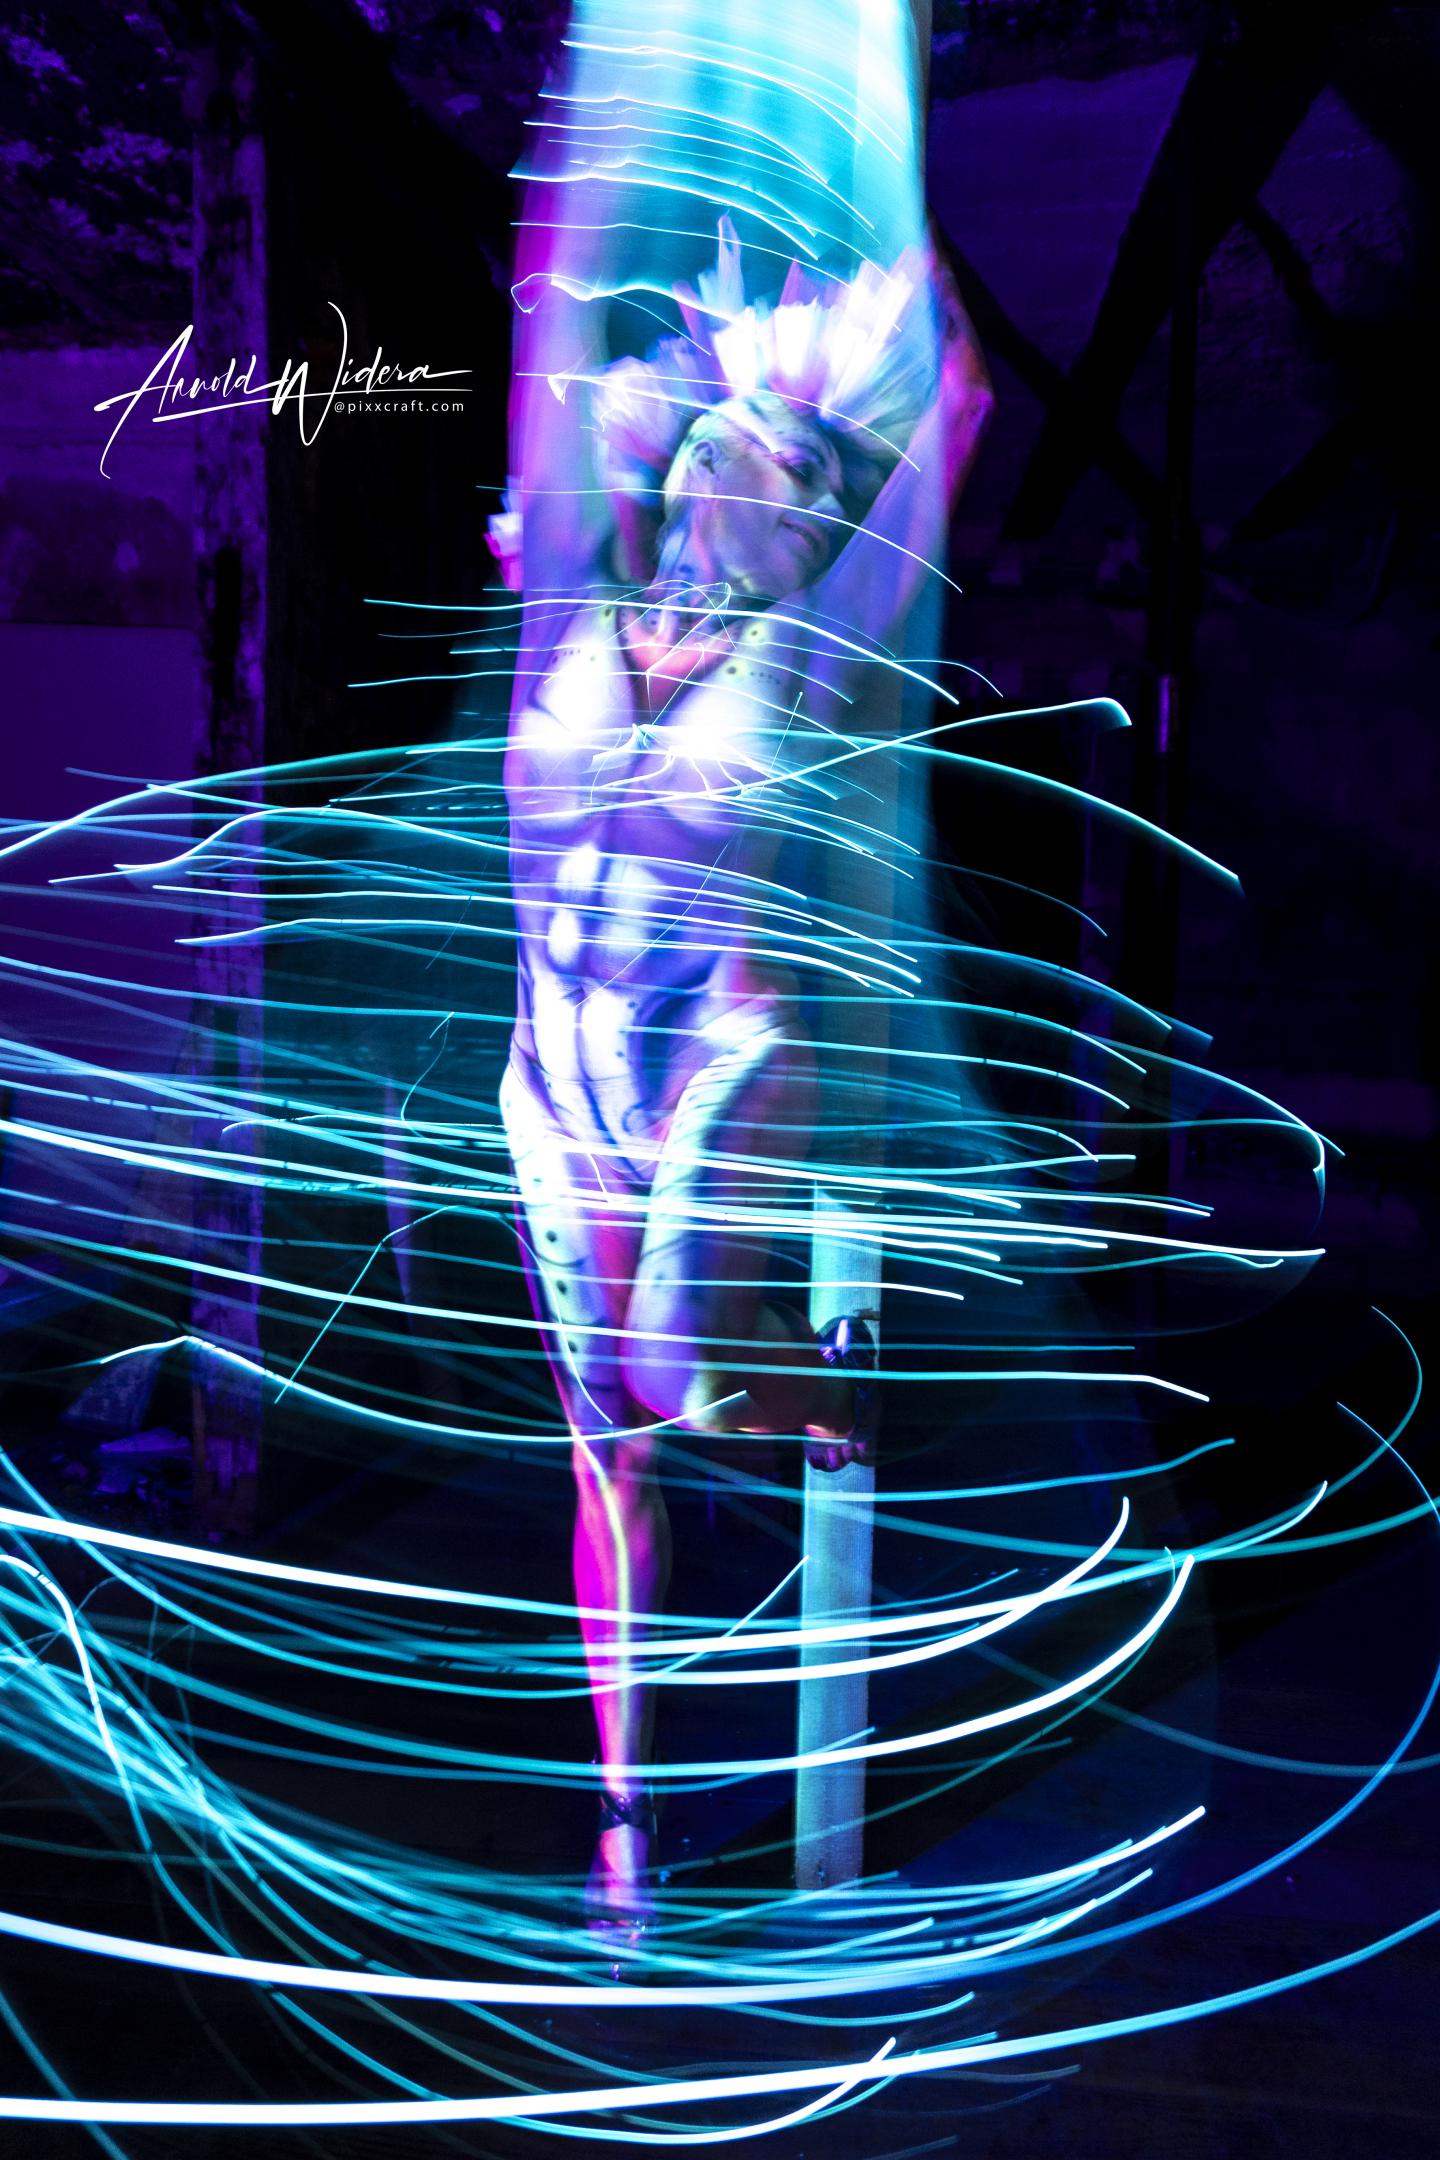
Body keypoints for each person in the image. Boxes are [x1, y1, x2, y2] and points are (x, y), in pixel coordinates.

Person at [497, 215, 994, 1932]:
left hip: (719, 1061)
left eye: (766, 451)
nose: (720, 451)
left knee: (676, 1375)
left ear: (809, 520)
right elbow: (553, 386)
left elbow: (956, 414)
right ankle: (625, 1821)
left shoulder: (819, 642)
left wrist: (911, 246)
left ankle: (828, 1398)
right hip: (555, 1093)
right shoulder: (580, 602)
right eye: (709, 434)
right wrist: (565, 264)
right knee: (604, 1454)